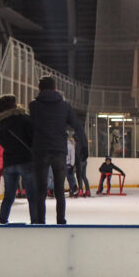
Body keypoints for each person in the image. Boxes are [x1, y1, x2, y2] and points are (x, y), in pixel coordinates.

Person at [29, 76, 87, 225]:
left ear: (39, 89)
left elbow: (30, 128)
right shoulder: (64, 106)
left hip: (40, 150)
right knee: (60, 190)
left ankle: (40, 221)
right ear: (55, 88)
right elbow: (78, 126)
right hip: (59, 151)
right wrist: (84, 146)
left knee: (41, 190)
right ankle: (60, 220)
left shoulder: (34, 106)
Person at [0, 94, 38, 225]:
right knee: (32, 195)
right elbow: (33, 136)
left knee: (9, 195)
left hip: (9, 162)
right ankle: (35, 221)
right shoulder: (23, 119)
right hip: (26, 160)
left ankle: (2, 219)